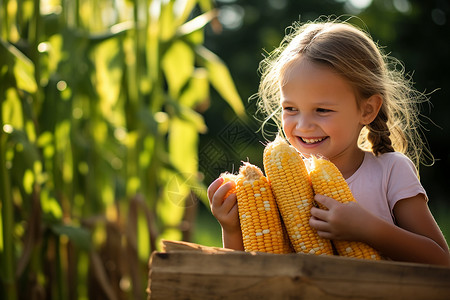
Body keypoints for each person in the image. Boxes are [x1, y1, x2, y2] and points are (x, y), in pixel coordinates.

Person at [207, 18, 450, 266]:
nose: (303, 125)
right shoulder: (275, 187)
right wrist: (232, 228)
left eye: (322, 110)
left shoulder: (391, 171)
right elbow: (252, 271)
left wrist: (368, 229)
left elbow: (441, 261)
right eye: (290, 108)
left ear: (367, 110)